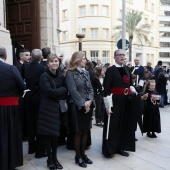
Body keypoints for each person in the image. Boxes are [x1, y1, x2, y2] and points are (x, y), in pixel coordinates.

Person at [102, 49, 136, 158]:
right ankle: (110, 149)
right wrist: (107, 106)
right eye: (119, 55)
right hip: (114, 101)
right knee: (113, 125)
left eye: (123, 55)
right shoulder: (110, 70)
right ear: (114, 57)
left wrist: (133, 90)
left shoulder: (127, 68)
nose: (122, 57)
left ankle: (120, 147)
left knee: (123, 125)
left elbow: (129, 84)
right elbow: (106, 89)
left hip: (126, 100)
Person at [38, 54, 67, 170]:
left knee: (55, 135)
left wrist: (58, 92)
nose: (54, 63)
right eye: (52, 61)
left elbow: (65, 90)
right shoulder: (44, 76)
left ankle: (55, 158)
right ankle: (49, 159)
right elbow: (50, 92)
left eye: (56, 61)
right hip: (46, 108)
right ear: (47, 63)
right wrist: (59, 92)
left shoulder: (60, 75)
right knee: (48, 135)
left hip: (56, 108)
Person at [65, 51, 94, 168]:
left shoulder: (86, 72)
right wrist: (83, 104)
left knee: (85, 130)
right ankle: (78, 156)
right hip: (76, 105)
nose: (86, 60)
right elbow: (72, 91)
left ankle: (83, 154)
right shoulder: (70, 73)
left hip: (88, 104)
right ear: (77, 60)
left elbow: (91, 89)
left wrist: (89, 101)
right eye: (83, 58)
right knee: (78, 132)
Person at [0, 46, 25, 170]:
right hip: (9, 108)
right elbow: (21, 86)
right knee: (9, 136)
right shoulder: (11, 68)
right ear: (5, 56)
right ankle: (9, 163)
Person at [25, 49, 46, 157]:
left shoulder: (26, 67)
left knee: (31, 125)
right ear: (40, 57)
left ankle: (31, 148)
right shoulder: (42, 68)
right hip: (39, 99)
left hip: (29, 98)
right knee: (39, 125)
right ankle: (40, 151)